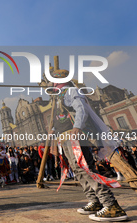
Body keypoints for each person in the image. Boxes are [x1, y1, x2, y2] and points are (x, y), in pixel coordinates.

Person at [48, 65, 127, 222]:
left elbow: (81, 109)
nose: (50, 85)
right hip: (65, 138)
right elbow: (61, 118)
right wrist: (53, 130)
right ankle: (95, 201)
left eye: (52, 82)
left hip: (75, 137)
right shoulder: (59, 97)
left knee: (85, 169)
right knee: (78, 170)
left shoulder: (71, 91)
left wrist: (77, 127)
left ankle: (111, 205)